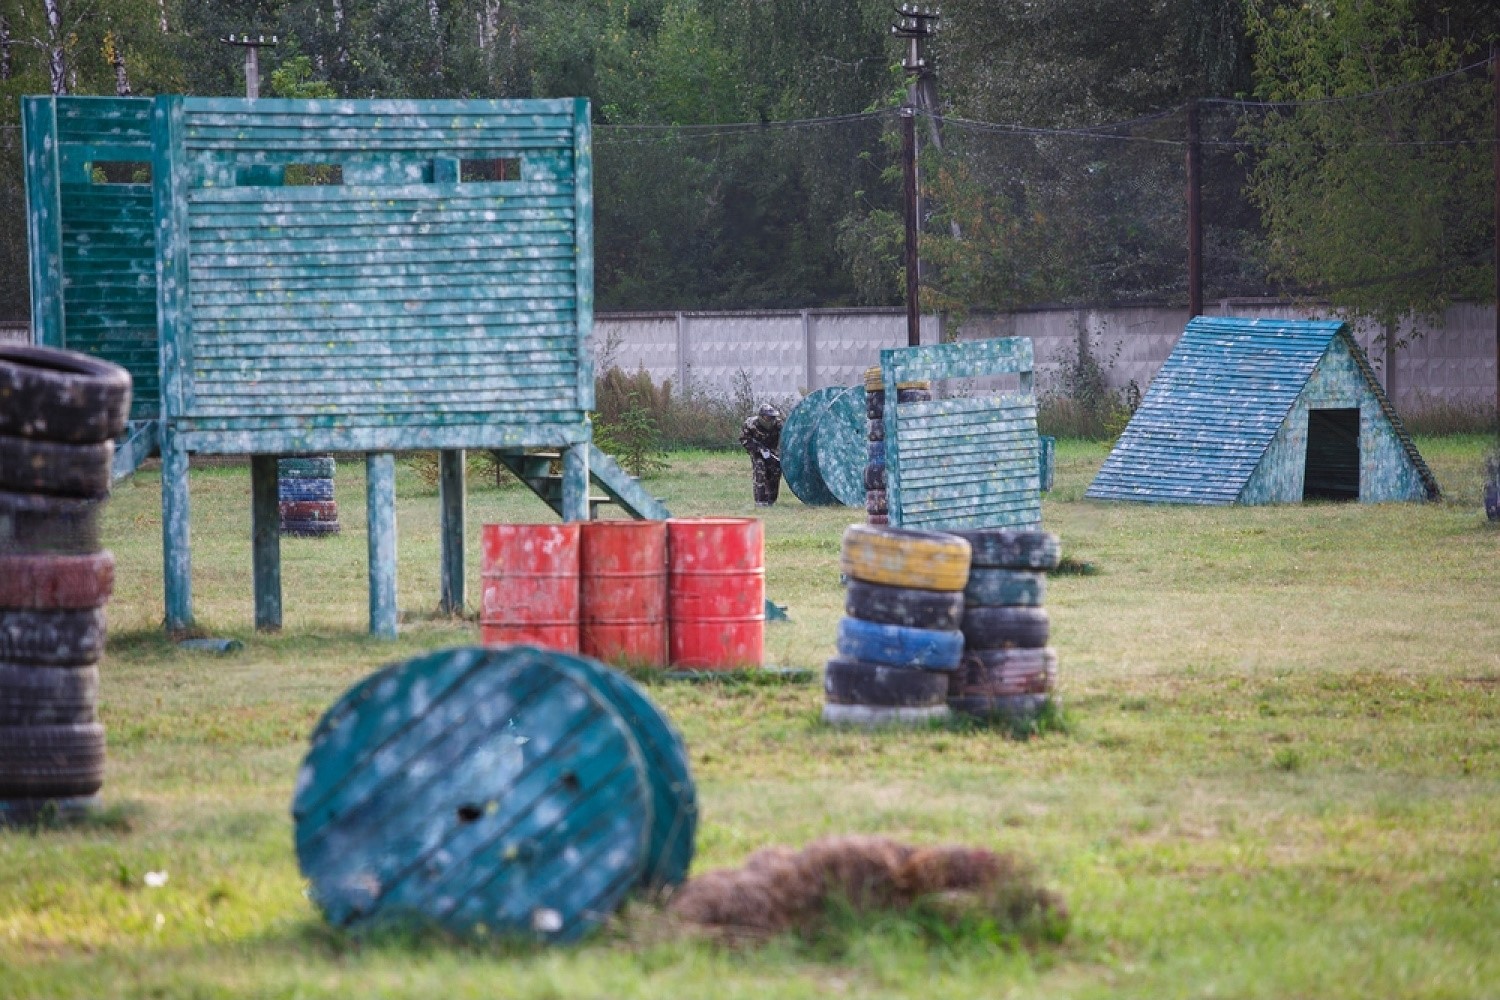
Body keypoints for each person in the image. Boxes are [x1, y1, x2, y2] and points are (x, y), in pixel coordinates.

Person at [738, 403, 783, 506]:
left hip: (772, 450)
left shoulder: (778, 424)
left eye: (772, 417)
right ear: (761, 417)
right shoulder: (750, 424)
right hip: (757, 451)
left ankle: (771, 499)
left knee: (775, 471)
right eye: (768, 417)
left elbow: (786, 436)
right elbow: (744, 439)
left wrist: (776, 453)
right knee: (760, 469)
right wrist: (758, 449)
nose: (771, 419)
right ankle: (760, 500)